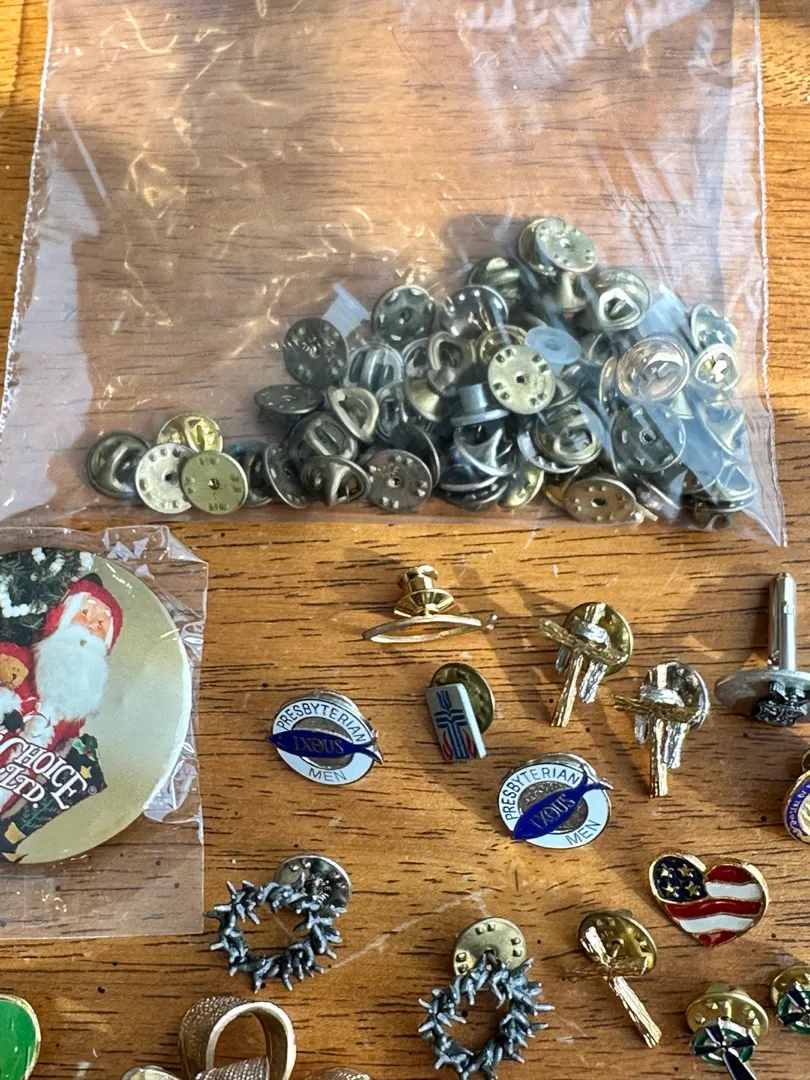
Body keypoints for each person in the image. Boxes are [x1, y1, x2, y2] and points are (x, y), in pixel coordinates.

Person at [0, 575, 123, 815]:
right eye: (84, 613)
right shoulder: (23, 661)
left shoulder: (77, 707)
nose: (91, 626)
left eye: (101, 623)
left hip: (18, 782)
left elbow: (68, 740)